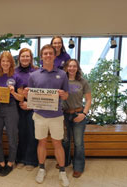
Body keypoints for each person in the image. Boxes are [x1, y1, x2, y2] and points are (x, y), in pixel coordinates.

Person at [24, 44, 70, 186]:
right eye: (45, 54)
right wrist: (26, 94)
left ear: (54, 56)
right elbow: (29, 94)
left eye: (51, 53)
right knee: (41, 142)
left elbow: (67, 95)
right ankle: (42, 168)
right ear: (41, 56)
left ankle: (62, 172)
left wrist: (63, 94)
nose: (48, 56)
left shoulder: (62, 74)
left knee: (57, 143)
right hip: (39, 116)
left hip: (56, 115)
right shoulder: (33, 75)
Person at [0, 52, 24, 177]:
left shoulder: (16, 77)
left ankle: (10, 163)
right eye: (3, 61)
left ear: (11, 63)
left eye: (7, 61)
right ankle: (1, 163)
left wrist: (13, 93)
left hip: (11, 108)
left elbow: (21, 98)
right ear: (0, 62)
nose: (5, 63)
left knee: (12, 137)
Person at [62, 59, 91, 178]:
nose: (72, 68)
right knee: (66, 140)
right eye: (69, 66)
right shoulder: (62, 81)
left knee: (78, 143)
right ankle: (65, 161)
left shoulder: (83, 82)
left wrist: (83, 114)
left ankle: (78, 167)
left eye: (74, 66)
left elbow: (89, 100)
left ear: (77, 68)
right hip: (64, 114)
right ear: (66, 68)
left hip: (78, 114)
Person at [14, 48, 39, 171]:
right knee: (21, 132)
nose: (25, 58)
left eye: (27, 56)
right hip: (17, 106)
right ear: (19, 58)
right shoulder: (14, 72)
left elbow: (40, 91)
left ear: (31, 58)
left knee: (32, 133)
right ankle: (20, 159)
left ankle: (31, 160)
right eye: (22, 56)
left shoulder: (37, 71)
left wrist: (30, 104)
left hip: (33, 107)